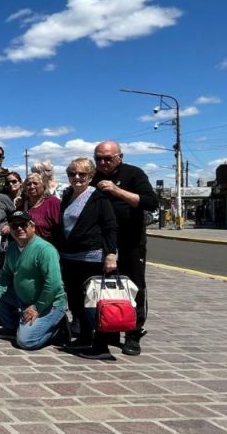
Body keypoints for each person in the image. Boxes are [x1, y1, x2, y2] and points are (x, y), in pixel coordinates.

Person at [92, 140, 158, 356]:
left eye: (107, 158)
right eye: (98, 158)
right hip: (102, 241)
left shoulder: (134, 174)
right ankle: (109, 327)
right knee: (105, 286)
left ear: (120, 156)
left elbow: (151, 202)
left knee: (133, 286)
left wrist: (117, 190)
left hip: (131, 241)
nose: (102, 162)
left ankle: (133, 333)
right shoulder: (93, 176)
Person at [58, 157, 119, 360]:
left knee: (94, 302)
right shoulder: (67, 196)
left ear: (91, 176)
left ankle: (101, 345)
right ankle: (84, 338)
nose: (77, 177)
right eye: (72, 173)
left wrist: (110, 254)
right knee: (76, 301)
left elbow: (110, 226)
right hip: (69, 257)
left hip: (92, 257)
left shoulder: (98, 197)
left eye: (82, 174)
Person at [0, 210, 69, 350]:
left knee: (26, 342)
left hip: (49, 304)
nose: (19, 229)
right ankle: (11, 327)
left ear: (32, 226)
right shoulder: (11, 248)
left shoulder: (45, 250)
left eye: (23, 224)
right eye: (14, 226)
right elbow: (5, 275)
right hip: (23, 299)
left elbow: (53, 283)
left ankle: (58, 329)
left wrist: (37, 307)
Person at [20, 172, 62, 242]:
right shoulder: (22, 206)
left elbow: (61, 228)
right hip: (29, 247)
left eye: (35, 183)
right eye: (28, 184)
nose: (32, 186)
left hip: (49, 247)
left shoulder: (53, 203)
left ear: (43, 186)